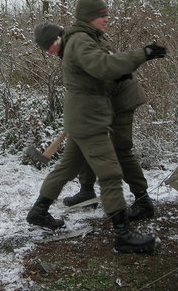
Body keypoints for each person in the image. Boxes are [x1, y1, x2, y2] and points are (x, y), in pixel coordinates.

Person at [27, 0, 167, 254]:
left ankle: (39, 210)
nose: (106, 18)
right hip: (89, 118)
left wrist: (119, 72)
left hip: (86, 115)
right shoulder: (80, 40)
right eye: (101, 14)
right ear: (88, 16)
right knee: (111, 172)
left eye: (106, 13)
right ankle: (123, 235)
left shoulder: (79, 40)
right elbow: (102, 66)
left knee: (67, 166)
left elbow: (98, 72)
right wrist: (142, 54)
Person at [33, 21, 157, 220]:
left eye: (49, 47)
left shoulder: (85, 45)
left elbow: (109, 76)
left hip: (120, 102)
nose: (49, 52)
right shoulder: (69, 48)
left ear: (57, 38)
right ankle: (86, 190)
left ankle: (143, 201)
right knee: (83, 144)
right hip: (99, 104)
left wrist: (87, 108)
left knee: (120, 150)